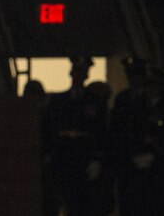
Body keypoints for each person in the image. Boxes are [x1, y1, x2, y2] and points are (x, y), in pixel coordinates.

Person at [44, 55, 112, 216]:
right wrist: (48, 152)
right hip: (64, 157)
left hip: (85, 157)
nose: (78, 76)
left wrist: (98, 159)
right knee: (66, 201)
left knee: (86, 204)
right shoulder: (57, 100)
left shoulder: (96, 102)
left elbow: (101, 132)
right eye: (76, 72)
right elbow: (49, 129)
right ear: (71, 74)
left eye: (82, 73)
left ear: (86, 76)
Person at [110, 57, 164, 216]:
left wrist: (152, 154)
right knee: (129, 204)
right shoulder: (125, 100)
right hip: (129, 163)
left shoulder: (158, 103)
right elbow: (119, 131)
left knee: (152, 205)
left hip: (154, 164)